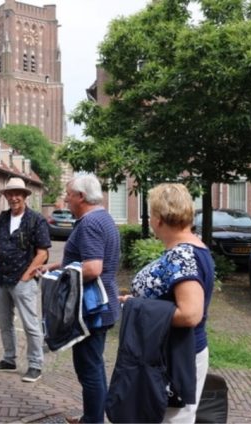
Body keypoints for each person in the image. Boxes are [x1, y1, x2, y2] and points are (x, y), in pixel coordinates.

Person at [122, 183, 214, 422]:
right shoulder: (192, 248)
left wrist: (137, 307)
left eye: (151, 214)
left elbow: (191, 314)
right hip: (172, 353)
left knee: (173, 419)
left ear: (159, 219)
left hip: (176, 356)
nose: (150, 220)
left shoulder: (183, 255)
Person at [39, 174, 121, 423]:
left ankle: (93, 421)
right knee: (93, 366)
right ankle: (91, 416)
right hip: (103, 305)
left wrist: (60, 277)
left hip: (92, 309)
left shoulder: (89, 224)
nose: (66, 199)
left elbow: (93, 268)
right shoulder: (103, 218)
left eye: (69, 195)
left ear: (81, 197)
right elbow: (84, 261)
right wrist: (54, 266)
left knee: (89, 369)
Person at [0, 177, 50, 383]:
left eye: (17, 194)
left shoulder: (36, 220)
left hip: (23, 280)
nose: (14, 198)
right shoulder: (2, 218)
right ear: (5, 196)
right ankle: (8, 359)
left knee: (31, 324)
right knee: (4, 322)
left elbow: (42, 253)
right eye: (10, 194)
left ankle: (35, 364)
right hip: (0, 278)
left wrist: (26, 277)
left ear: (24, 196)